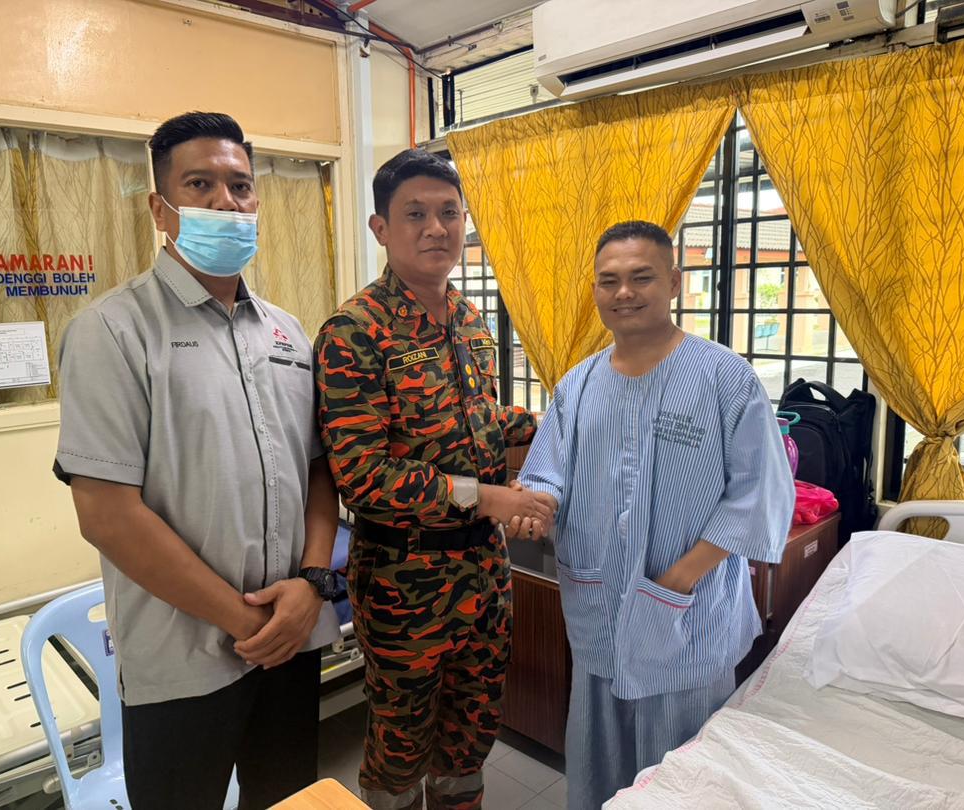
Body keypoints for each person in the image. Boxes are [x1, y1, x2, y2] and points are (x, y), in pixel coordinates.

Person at [53, 111, 341, 810]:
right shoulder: (114, 331)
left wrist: (311, 583)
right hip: (181, 659)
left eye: (240, 186)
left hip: (290, 639)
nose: (226, 202)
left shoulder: (286, 332)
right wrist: (246, 622)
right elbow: (107, 516)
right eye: (200, 184)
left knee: (287, 800)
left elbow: (316, 469)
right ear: (162, 209)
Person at [517, 220, 795, 810]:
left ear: (672, 282)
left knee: (682, 776)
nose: (624, 292)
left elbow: (760, 495)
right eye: (608, 280)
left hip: (688, 618)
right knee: (599, 763)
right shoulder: (576, 386)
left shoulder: (724, 378)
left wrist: (675, 582)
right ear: (595, 291)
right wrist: (534, 507)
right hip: (599, 609)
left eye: (641, 277)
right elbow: (545, 475)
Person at [313, 149, 553, 810]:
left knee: (472, 735)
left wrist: (554, 425)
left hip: (484, 572)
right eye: (415, 214)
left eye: (449, 212)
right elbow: (362, 476)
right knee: (401, 746)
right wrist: (486, 497)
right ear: (380, 228)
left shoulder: (471, 321)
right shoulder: (354, 332)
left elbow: (481, 419)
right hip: (403, 580)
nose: (436, 228)